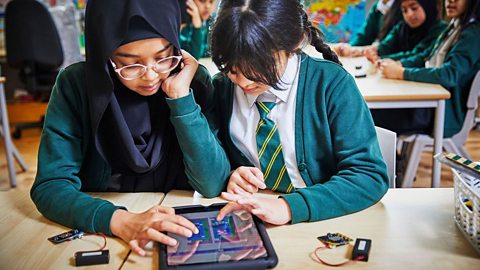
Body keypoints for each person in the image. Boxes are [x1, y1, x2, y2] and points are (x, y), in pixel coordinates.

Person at [30, 0, 230, 256]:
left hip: (177, 231)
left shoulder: (192, 81)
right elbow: (50, 186)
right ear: (104, 54)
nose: (150, 76)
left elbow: (212, 183)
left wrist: (180, 100)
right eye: (130, 64)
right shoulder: (76, 85)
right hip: (105, 235)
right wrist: (120, 221)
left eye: (163, 57)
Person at [203, 0, 389, 225]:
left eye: (257, 66)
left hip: (325, 221)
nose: (242, 81)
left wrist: (289, 206)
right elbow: (212, 172)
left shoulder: (332, 84)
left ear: (293, 44)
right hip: (255, 222)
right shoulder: (223, 88)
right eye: (231, 68)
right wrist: (231, 175)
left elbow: (369, 176)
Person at [374, 0, 480, 138]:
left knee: (370, 113)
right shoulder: (455, 26)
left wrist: (402, 73)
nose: (450, 1)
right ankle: (393, 158)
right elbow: (425, 56)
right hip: (431, 106)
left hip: (443, 114)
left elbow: (449, 74)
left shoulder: (473, 33)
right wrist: (398, 64)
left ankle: (390, 158)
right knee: (373, 110)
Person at [364, 0, 447, 63]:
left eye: (414, 8)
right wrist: (374, 52)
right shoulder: (401, 27)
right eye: (405, 10)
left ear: (427, 6)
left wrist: (383, 59)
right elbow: (385, 46)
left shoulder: (440, 29)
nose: (409, 14)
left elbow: (418, 55)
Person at [334, 0, 403, 57]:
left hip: (395, 56)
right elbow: (365, 36)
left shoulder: (403, 7)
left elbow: (390, 44)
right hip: (382, 54)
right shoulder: (378, 6)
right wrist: (349, 48)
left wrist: (361, 51)